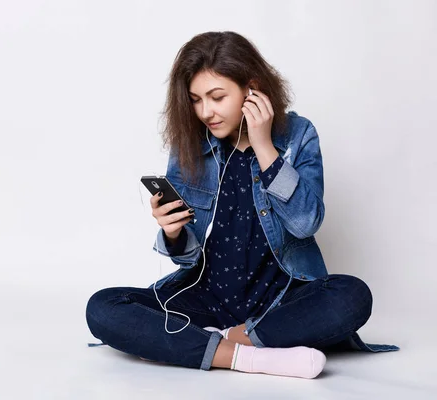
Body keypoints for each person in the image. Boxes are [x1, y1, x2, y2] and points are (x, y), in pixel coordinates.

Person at [85, 31, 398, 379]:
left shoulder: (298, 135)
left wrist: (265, 147)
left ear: (251, 89)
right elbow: (187, 260)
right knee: (103, 306)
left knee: (352, 296)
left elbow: (306, 223)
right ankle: (246, 355)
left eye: (217, 97)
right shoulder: (191, 145)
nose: (205, 112)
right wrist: (173, 234)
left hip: (279, 302)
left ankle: (223, 341)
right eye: (196, 100)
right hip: (205, 299)